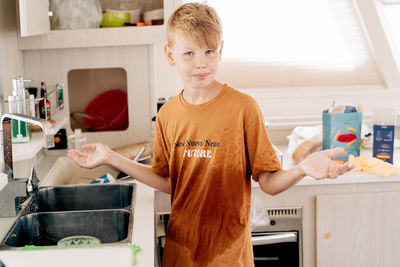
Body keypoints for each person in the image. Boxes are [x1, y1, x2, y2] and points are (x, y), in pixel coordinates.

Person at [68, 3, 354, 267]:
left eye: (209, 51)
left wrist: (302, 168)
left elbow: (268, 182)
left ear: (220, 50)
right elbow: (171, 183)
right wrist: (111, 157)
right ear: (171, 55)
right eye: (189, 53)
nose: (200, 63)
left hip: (230, 255)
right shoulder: (168, 115)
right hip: (181, 252)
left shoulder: (243, 108)